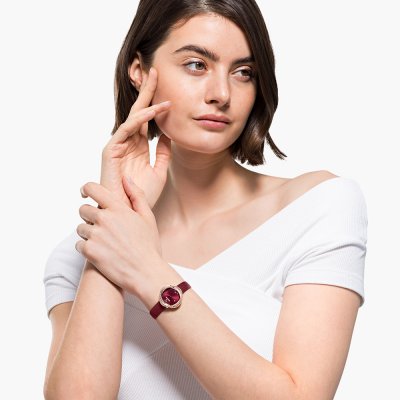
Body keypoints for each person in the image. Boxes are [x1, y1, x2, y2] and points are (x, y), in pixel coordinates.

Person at [42, 0, 368, 399]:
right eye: (196, 65)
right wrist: (117, 214)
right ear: (139, 70)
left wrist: (147, 270)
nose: (222, 94)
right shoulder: (74, 257)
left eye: (243, 72)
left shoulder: (317, 208)